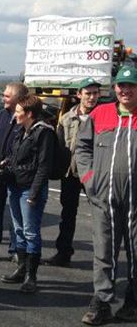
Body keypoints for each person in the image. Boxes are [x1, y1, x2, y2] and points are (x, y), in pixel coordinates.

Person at [76, 66, 137, 325]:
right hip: (104, 199)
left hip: (135, 201)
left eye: (131, 85)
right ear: (114, 88)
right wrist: (90, 180)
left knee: (135, 251)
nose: (125, 90)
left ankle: (132, 302)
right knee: (104, 252)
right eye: (121, 85)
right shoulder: (99, 114)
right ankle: (101, 302)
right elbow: (82, 148)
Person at [0, 95, 55, 293]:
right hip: (15, 186)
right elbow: (14, 155)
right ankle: (21, 269)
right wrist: (4, 164)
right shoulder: (20, 131)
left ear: (29, 113)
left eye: (18, 111)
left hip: (30, 189)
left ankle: (32, 276)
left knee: (31, 232)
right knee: (18, 229)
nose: (15, 114)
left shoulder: (44, 133)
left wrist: (33, 193)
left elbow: (43, 166)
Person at [43, 77, 101, 267]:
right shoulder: (67, 118)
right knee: (67, 215)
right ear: (79, 95)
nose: (92, 97)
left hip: (94, 175)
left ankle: (103, 258)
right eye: (88, 93)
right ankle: (63, 253)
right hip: (71, 174)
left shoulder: (103, 115)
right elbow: (61, 145)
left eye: (95, 93)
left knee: (102, 217)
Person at [0, 82, 29, 263]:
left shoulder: (24, 119)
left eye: (8, 96)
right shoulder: (1, 116)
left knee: (16, 215)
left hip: (15, 176)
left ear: (18, 99)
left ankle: (15, 250)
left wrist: (10, 165)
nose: (3, 98)